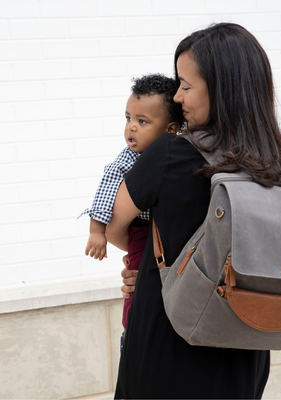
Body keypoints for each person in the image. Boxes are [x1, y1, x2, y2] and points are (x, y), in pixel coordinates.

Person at [106, 23, 281, 399]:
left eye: (186, 86)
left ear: (222, 89)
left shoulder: (169, 154)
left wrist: (143, 266)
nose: (177, 97)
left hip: (167, 339)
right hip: (243, 339)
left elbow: (114, 226)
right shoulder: (278, 163)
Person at [79, 74, 184, 333]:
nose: (131, 127)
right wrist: (96, 231)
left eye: (142, 121)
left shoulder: (181, 153)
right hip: (141, 230)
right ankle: (132, 327)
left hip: (168, 233)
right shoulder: (129, 158)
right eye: (128, 118)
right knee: (137, 280)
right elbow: (105, 190)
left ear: (170, 129)